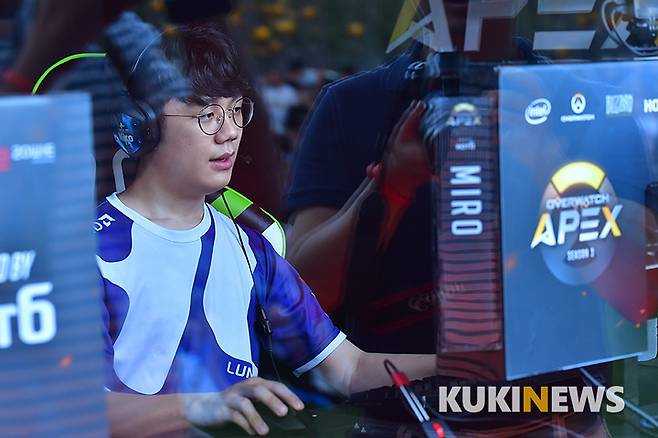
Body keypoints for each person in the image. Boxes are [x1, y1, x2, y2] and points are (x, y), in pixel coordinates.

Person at [96, 24, 435, 436]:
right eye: (207, 115)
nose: (229, 132)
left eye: (237, 110)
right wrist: (202, 406)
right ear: (144, 122)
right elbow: (68, 407)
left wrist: (474, 367)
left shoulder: (252, 250)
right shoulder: (85, 253)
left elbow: (350, 369)